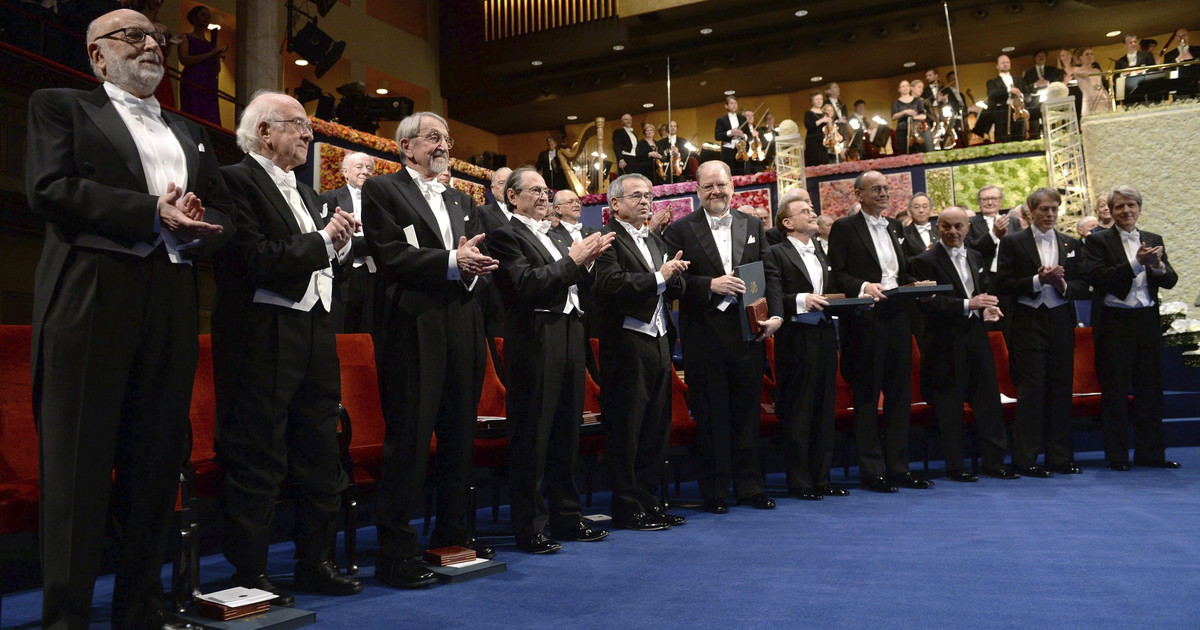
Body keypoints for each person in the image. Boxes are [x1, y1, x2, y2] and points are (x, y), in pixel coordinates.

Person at [26, 9, 233, 627]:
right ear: (97, 54)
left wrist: (199, 224)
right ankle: (66, 616)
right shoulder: (59, 105)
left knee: (156, 459)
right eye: (133, 36)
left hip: (172, 294)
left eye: (157, 38)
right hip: (91, 292)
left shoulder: (189, 131)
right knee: (79, 462)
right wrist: (151, 212)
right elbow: (49, 188)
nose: (151, 46)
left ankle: (140, 606)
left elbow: (224, 211)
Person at [213, 91, 363, 605]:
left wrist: (340, 245)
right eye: (298, 124)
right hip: (261, 333)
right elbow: (252, 257)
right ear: (264, 132)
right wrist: (323, 241)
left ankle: (315, 562)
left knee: (320, 452)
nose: (308, 134)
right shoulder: (231, 180)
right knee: (258, 454)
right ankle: (250, 573)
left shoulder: (310, 192)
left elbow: (324, 264)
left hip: (316, 330)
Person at [362, 111, 500, 587]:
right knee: (411, 439)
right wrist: (452, 261)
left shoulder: (464, 199)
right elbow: (389, 255)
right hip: (412, 325)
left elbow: (473, 257)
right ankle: (396, 553)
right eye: (433, 138)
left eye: (447, 139)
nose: (443, 146)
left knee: (460, 435)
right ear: (406, 146)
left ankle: (452, 537)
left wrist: (474, 267)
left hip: (463, 322)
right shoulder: (383, 190)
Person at [488, 167, 615, 552]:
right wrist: (574, 260)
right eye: (535, 191)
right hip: (534, 337)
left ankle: (568, 517)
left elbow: (579, 285)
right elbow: (526, 284)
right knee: (534, 434)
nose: (545, 196)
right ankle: (530, 527)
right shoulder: (505, 235)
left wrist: (588, 262)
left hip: (571, 332)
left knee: (566, 430)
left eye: (546, 190)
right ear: (512, 197)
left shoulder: (558, 234)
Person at [663, 160, 782, 513]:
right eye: (708, 186)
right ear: (696, 190)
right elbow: (671, 283)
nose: (716, 191)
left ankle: (750, 487)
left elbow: (770, 273)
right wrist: (709, 284)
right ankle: (713, 492)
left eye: (721, 185)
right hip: (703, 338)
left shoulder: (752, 224)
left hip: (749, 335)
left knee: (747, 414)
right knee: (711, 417)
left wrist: (776, 315)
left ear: (732, 186)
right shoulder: (680, 229)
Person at [592, 173, 690, 529]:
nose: (645, 201)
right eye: (636, 195)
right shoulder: (605, 240)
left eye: (648, 195)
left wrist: (675, 276)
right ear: (615, 203)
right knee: (627, 429)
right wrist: (661, 276)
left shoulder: (655, 238)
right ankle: (627, 508)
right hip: (626, 343)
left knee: (655, 428)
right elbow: (609, 284)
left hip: (660, 340)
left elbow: (671, 288)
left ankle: (652, 502)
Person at [828, 171, 932, 493]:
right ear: (858, 195)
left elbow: (899, 272)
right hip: (865, 321)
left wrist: (917, 286)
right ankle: (872, 471)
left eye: (886, 188)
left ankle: (899, 468)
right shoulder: (844, 228)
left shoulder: (894, 226)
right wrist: (863, 287)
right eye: (876, 189)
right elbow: (837, 275)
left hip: (898, 318)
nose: (884, 193)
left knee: (900, 396)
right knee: (868, 397)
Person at [910, 208, 1020, 482]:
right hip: (943, 341)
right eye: (946, 226)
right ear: (937, 228)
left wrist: (987, 308)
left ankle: (994, 462)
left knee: (988, 400)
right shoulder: (923, 261)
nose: (953, 232)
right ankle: (956, 466)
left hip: (977, 336)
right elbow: (927, 302)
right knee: (949, 405)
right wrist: (968, 305)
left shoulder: (975, 256)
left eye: (958, 226)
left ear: (968, 227)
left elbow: (982, 291)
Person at [1081, 186, 1179, 471]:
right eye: (1120, 206)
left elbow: (1170, 280)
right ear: (1111, 212)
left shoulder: (1153, 238)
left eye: (1131, 205)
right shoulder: (1097, 241)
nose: (1126, 211)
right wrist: (1137, 263)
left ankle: (1152, 454)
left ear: (1139, 208)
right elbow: (1099, 278)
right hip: (1115, 322)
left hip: (1146, 320)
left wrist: (1157, 266)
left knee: (1151, 389)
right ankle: (1118, 456)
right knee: (1115, 390)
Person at [995, 188, 1089, 478]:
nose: (1050, 214)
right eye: (1044, 209)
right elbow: (1003, 284)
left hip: (1061, 319)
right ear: (1030, 212)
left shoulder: (1070, 242)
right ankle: (1026, 459)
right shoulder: (1012, 242)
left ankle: (1059, 457)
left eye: (1054, 209)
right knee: (1032, 391)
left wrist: (1061, 285)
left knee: (1061, 389)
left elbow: (1082, 284)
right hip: (1028, 321)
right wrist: (1037, 280)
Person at [763, 193, 846, 500]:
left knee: (824, 406)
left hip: (823, 334)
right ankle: (800, 481)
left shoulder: (820, 250)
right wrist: (801, 299)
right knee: (799, 409)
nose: (813, 214)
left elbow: (830, 291)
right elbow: (772, 295)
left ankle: (822, 478)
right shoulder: (776, 252)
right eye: (805, 211)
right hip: (795, 337)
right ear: (787, 222)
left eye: (812, 210)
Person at [320, 151, 378, 334]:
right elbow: (335, 237)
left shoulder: (380, 202)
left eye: (369, 168)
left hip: (373, 274)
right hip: (343, 271)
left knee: (370, 328)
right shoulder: (330, 198)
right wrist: (375, 244)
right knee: (342, 327)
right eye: (359, 167)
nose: (365, 171)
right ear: (345, 172)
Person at [177, 4, 224, 125]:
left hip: (208, 81)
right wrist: (211, 53)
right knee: (193, 109)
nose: (206, 18)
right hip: (193, 78)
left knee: (209, 114)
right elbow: (184, 59)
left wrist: (217, 56)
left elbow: (216, 70)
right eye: (203, 15)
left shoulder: (211, 44)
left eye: (208, 16)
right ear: (194, 18)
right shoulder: (186, 37)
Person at [975, 55, 1028, 142]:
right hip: (1002, 114)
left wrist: (1021, 95)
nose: (1005, 64)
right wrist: (1009, 90)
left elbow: (1028, 94)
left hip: (1019, 111)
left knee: (1021, 137)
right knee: (1004, 138)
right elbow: (991, 94)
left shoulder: (1019, 79)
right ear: (997, 66)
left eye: (1007, 62)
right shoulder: (992, 82)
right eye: (1002, 63)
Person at [139, 0, 177, 108]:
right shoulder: (136, 20)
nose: (159, 2)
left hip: (159, 65)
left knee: (162, 97)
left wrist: (170, 44)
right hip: (142, 61)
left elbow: (165, 54)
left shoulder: (163, 28)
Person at [1023, 50, 1066, 137]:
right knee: (1035, 128)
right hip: (1034, 104)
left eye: (1043, 56)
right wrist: (1035, 85)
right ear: (1035, 58)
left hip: (1049, 102)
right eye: (1039, 56)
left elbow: (1060, 80)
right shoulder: (1028, 73)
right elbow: (1024, 88)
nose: (1041, 58)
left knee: (1051, 125)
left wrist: (1048, 82)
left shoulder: (1053, 70)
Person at [891, 80, 927, 154]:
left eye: (907, 85)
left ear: (910, 87)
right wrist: (904, 112)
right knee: (904, 152)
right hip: (902, 130)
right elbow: (893, 117)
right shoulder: (896, 102)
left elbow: (923, 115)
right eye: (903, 86)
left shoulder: (917, 100)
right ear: (899, 89)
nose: (905, 88)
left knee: (919, 151)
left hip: (916, 129)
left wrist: (914, 117)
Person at [714, 95, 747, 172]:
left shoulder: (743, 118)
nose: (734, 105)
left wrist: (743, 135)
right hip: (728, 151)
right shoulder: (721, 120)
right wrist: (730, 132)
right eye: (732, 103)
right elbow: (717, 136)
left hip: (741, 150)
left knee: (741, 172)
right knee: (729, 172)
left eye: (735, 103)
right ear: (726, 106)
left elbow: (749, 135)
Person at [477, 166, 514, 234]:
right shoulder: (482, 212)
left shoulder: (524, 212)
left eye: (510, 183)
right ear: (492, 189)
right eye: (501, 183)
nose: (506, 187)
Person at [901, 192, 937, 259]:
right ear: (909, 212)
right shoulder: (903, 234)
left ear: (931, 211)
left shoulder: (939, 232)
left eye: (925, 207)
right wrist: (923, 257)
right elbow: (903, 260)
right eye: (917, 207)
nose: (921, 210)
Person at [803, 91, 833, 166]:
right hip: (813, 141)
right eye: (817, 99)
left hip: (824, 141)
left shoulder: (824, 113)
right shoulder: (808, 113)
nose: (819, 101)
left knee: (825, 162)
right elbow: (809, 126)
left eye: (821, 99)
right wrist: (822, 120)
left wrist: (830, 122)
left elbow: (828, 128)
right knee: (815, 162)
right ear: (812, 101)